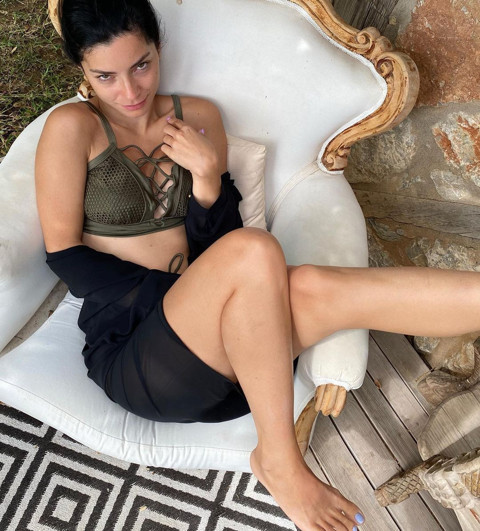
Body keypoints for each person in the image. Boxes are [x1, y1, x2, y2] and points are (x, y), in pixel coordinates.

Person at [35, 1, 479, 529]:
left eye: (141, 65)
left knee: (308, 283)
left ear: (157, 48)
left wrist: (207, 180)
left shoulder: (198, 118)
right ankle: (279, 459)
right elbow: (66, 256)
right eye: (105, 76)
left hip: (238, 360)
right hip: (141, 358)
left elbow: (218, 243)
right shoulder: (73, 126)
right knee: (256, 251)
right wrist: (189, 295)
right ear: (82, 70)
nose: (129, 92)